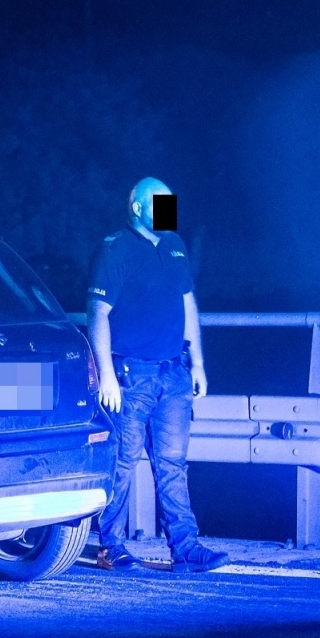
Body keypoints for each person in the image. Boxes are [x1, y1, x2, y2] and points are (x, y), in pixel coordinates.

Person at [86, 177, 229, 573]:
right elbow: (98, 313)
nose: (169, 210)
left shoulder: (175, 246)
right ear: (137, 208)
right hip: (132, 375)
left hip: (174, 374)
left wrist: (197, 362)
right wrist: (108, 375)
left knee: (172, 464)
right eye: (160, 203)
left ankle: (185, 549)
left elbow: (188, 305)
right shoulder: (116, 249)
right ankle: (109, 546)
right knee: (123, 461)